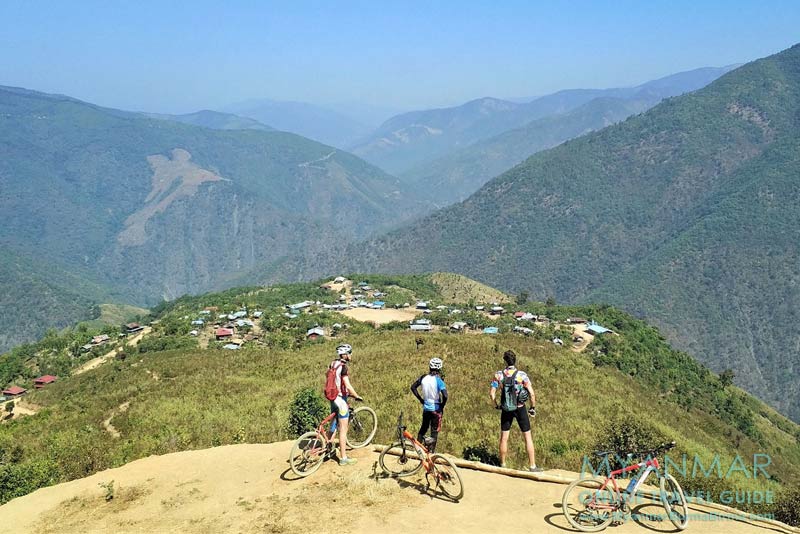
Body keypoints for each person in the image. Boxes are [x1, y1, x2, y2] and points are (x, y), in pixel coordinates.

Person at [489, 350, 542, 472]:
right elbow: (532, 394)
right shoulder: (522, 375)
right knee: (527, 437)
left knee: (504, 438)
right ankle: (532, 466)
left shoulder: (498, 375)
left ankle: (502, 464)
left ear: (505, 361)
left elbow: (492, 393)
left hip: (506, 409)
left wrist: (497, 405)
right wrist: (532, 408)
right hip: (520, 408)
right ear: (515, 360)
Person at [328, 343, 363, 466]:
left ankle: (328, 450)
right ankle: (343, 458)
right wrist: (356, 395)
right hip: (340, 400)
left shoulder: (333, 363)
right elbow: (347, 385)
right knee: (343, 430)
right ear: (345, 354)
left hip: (332, 398)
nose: (351, 355)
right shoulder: (343, 368)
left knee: (333, 424)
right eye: (350, 353)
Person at [410, 357, 448, 452]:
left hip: (426, 408)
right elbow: (445, 395)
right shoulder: (439, 380)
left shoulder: (423, 377)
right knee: (434, 432)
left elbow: (413, 387)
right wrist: (442, 405)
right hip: (436, 410)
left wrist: (421, 399)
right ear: (439, 369)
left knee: (423, 429)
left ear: (430, 367)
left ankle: (417, 450)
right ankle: (431, 453)